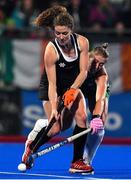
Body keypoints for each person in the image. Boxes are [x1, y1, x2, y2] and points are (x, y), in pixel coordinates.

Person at [21, 5, 96, 173]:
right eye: (57, 33)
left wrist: (73, 90)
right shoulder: (51, 50)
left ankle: (77, 162)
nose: (61, 37)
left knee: (83, 118)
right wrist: (55, 107)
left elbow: (83, 71)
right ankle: (31, 147)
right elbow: (53, 84)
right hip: (52, 85)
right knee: (56, 128)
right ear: (54, 31)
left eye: (65, 33)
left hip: (73, 83)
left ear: (71, 30)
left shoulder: (82, 42)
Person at [69, 43, 110, 174]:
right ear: (89, 57)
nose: (98, 66)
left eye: (102, 64)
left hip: (95, 92)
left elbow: (100, 99)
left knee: (100, 124)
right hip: (78, 88)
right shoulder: (78, 64)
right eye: (96, 62)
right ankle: (42, 125)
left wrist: (96, 117)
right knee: (62, 124)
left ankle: (85, 160)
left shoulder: (102, 75)